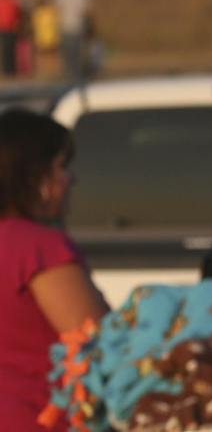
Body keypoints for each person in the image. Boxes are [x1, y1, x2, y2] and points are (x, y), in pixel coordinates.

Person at [0, 108, 106, 432]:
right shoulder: (39, 247)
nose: (70, 178)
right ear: (33, 177)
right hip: (41, 419)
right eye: (61, 166)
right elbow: (97, 343)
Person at [48, 0, 91, 87]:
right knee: (76, 52)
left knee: (67, 52)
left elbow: (54, 6)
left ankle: (68, 75)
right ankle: (76, 76)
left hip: (64, 26)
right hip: (77, 26)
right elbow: (86, 10)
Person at [0, 0, 19, 82]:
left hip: (3, 28)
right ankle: (11, 70)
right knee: (11, 50)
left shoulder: (2, 0)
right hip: (11, 27)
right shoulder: (12, 0)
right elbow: (16, 13)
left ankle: (6, 70)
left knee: (5, 50)